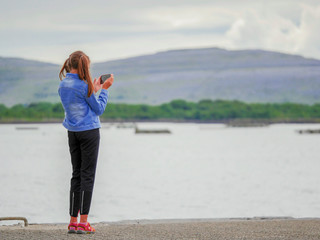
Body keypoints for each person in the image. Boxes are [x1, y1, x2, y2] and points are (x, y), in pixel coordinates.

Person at [58, 50, 114, 234]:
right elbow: (98, 109)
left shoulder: (63, 85)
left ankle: (73, 221)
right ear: (84, 66)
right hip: (89, 132)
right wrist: (103, 90)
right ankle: (84, 222)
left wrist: (94, 89)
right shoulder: (84, 85)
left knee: (76, 175)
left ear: (70, 64)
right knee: (87, 175)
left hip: (72, 133)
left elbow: (80, 102)